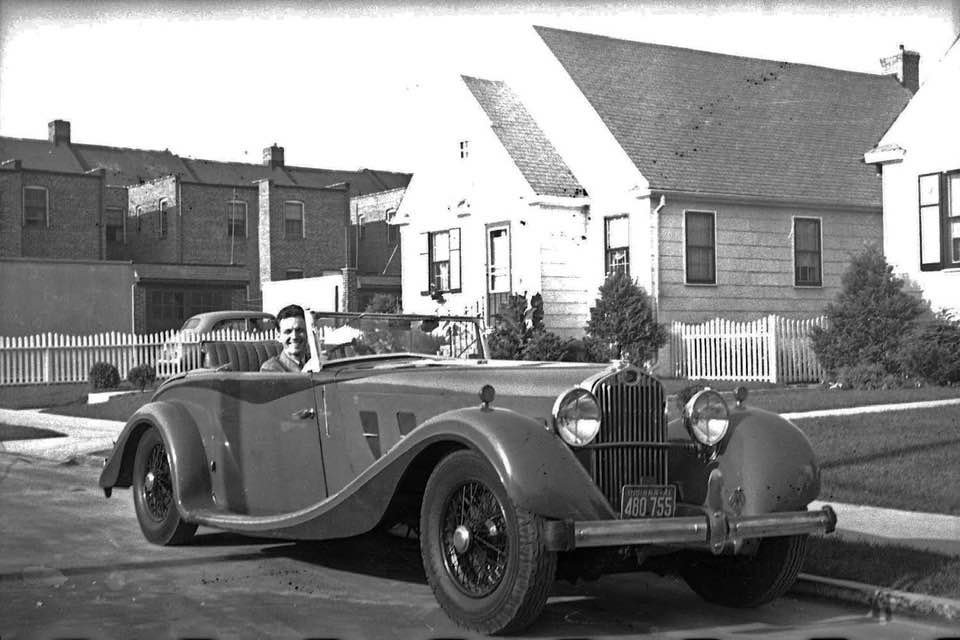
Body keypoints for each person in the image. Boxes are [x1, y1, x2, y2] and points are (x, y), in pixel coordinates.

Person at [261, 304, 311, 372]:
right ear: (278, 336)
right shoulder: (270, 370)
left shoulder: (318, 363)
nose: (294, 336)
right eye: (288, 331)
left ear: (307, 333)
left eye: (299, 330)